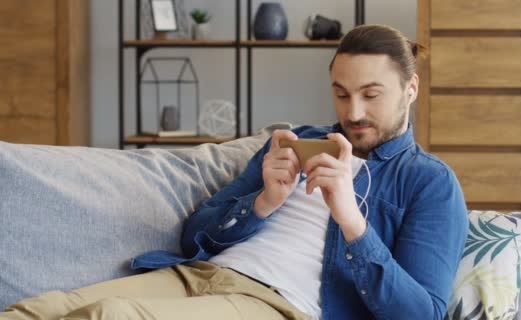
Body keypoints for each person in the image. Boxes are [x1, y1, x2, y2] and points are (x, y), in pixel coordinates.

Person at [2, 24, 468, 320]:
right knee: (40, 309)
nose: (355, 110)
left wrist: (351, 221)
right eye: (342, 94)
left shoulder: (429, 182)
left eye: (372, 94)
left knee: (110, 315)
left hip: (276, 304)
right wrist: (263, 200)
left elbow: (421, 312)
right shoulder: (293, 141)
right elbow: (194, 236)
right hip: (201, 275)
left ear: (410, 89)